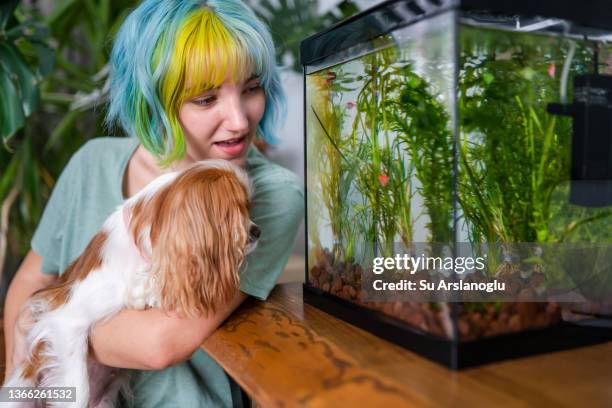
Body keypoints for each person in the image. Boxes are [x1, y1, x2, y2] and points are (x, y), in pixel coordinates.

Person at [3, 0, 304, 406]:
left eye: (251, 88)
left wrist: (50, 323)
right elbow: (32, 280)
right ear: (153, 99)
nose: (239, 119)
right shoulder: (93, 162)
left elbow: (159, 343)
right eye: (205, 98)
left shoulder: (272, 195)